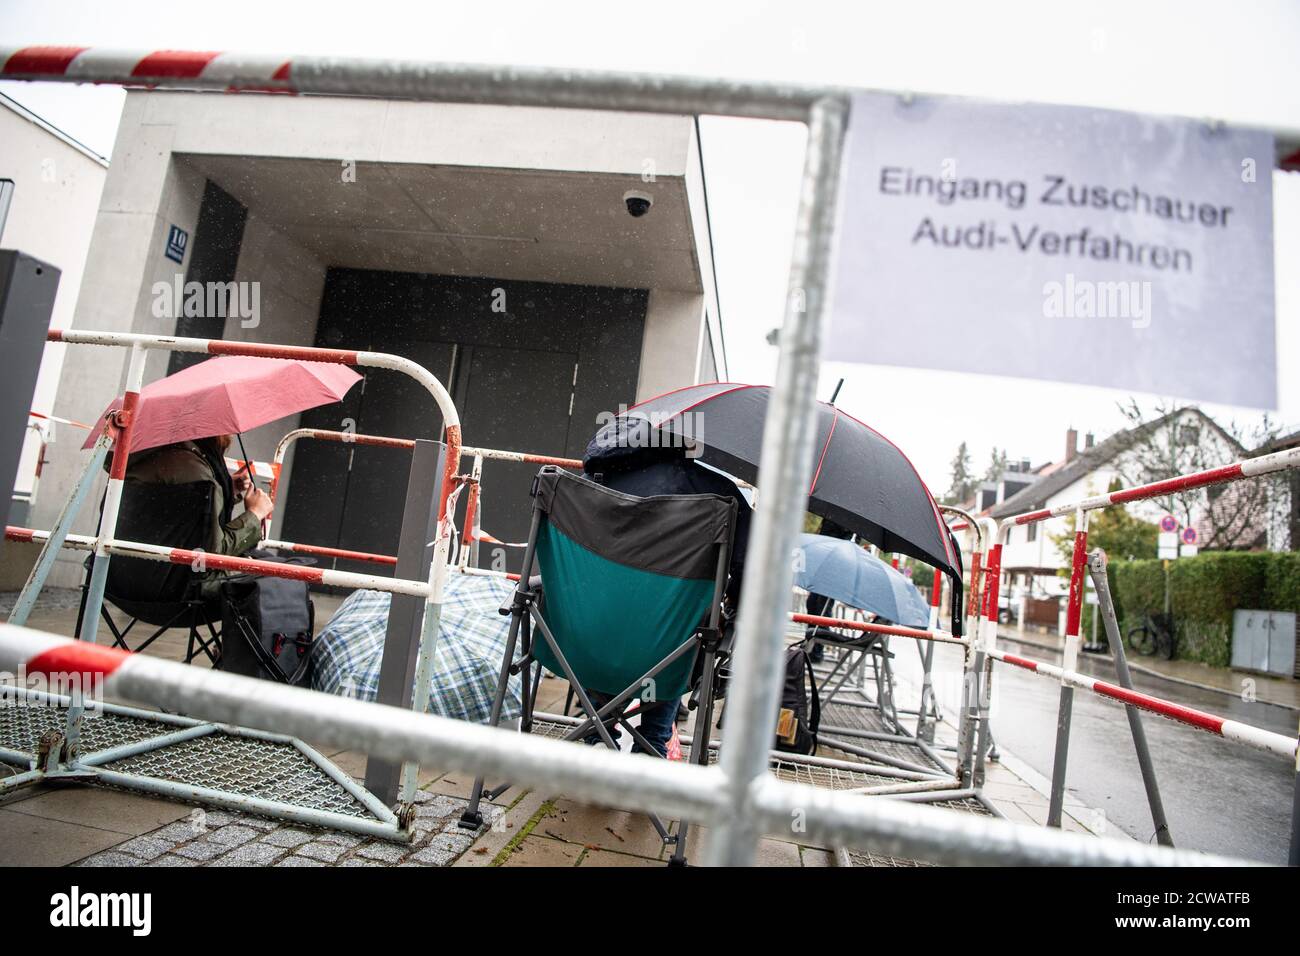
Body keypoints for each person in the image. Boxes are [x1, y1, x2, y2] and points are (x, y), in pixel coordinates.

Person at [578, 417, 753, 757]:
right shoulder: (717, 494)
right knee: (681, 625)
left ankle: (597, 735)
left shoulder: (580, 486)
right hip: (666, 643)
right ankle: (651, 744)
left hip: (580, 637)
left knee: (608, 613)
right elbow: (752, 564)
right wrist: (733, 605)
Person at [116, 434, 274, 598]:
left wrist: (225, 490)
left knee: (266, 560)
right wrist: (254, 514)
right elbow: (212, 555)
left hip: (122, 578)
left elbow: (168, 515)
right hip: (179, 588)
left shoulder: (146, 455)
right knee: (276, 574)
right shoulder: (199, 475)